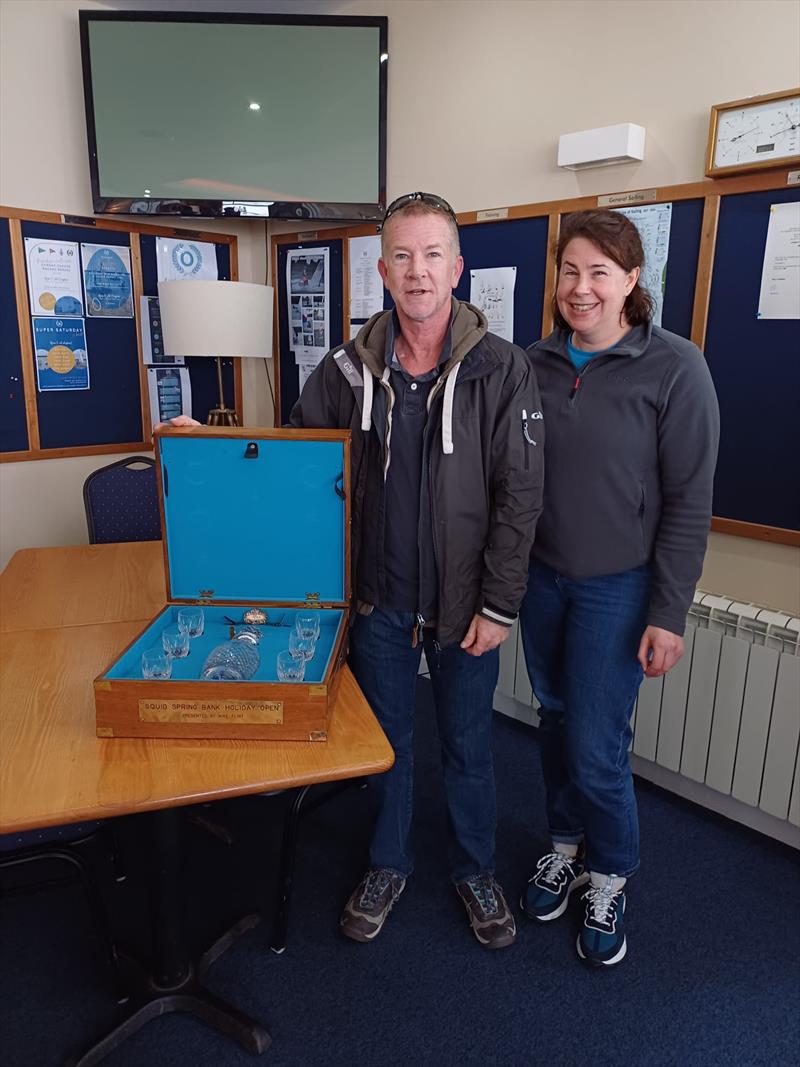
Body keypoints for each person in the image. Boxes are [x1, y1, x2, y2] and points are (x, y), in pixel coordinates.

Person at [290, 192, 544, 947]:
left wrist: (499, 605)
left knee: (468, 744)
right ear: (382, 269)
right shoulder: (342, 370)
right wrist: (209, 444)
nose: (418, 270)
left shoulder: (502, 369)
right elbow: (299, 467)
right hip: (380, 603)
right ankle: (388, 863)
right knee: (390, 745)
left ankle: (474, 871)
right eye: (402, 255)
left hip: (466, 605)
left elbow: (518, 498)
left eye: (433, 254)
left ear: (456, 268)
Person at [518, 209, 719, 967]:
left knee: (598, 746)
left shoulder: (675, 367)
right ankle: (565, 846)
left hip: (619, 587)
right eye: (570, 270)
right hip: (542, 579)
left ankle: (610, 873)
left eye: (600, 271)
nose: (581, 287)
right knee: (555, 719)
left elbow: (690, 500)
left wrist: (669, 611)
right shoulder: (531, 362)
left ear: (633, 280)